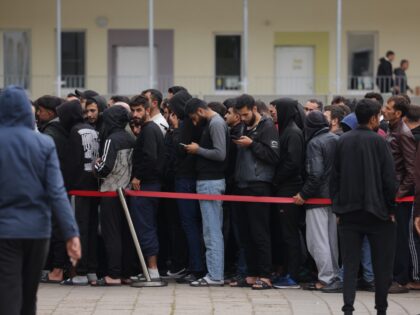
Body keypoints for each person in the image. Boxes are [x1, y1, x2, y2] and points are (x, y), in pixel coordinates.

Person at [0, 86, 81, 315]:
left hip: (4, 231)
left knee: (7, 292)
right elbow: (56, 191)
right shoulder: (43, 144)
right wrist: (71, 233)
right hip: (38, 231)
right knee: (29, 295)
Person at [330, 98, 397, 315]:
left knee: (349, 264)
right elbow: (389, 180)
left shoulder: (342, 141)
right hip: (378, 213)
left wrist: (338, 208)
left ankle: (348, 308)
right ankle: (380, 309)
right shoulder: (380, 142)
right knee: (381, 265)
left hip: (348, 213)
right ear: (372, 118)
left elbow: (335, 178)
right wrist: (391, 209)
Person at [231, 94, 279, 290]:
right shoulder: (243, 126)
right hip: (241, 184)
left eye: (245, 114)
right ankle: (251, 274)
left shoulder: (267, 127)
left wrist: (252, 145)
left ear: (254, 109)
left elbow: (274, 156)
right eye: (239, 115)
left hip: (259, 185)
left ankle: (266, 275)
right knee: (245, 234)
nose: (242, 119)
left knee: (260, 233)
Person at [184, 98, 229, 287]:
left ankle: (215, 275)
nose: (194, 122)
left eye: (194, 117)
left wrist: (197, 150)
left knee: (211, 232)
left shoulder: (216, 123)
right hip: (208, 182)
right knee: (210, 230)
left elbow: (220, 154)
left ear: (201, 111)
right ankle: (215, 273)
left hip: (211, 182)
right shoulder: (214, 122)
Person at [294, 111, 340, 291]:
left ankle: (326, 278)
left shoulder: (314, 143)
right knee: (331, 241)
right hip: (333, 197)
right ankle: (334, 276)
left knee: (317, 241)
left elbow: (315, 173)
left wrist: (303, 194)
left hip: (317, 198)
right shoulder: (336, 139)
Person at [57, 99, 100, 286]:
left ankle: (79, 272)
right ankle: (91, 270)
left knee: (78, 230)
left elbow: (71, 164)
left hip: (78, 189)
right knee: (90, 229)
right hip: (93, 187)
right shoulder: (92, 129)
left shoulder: (74, 132)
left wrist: (65, 187)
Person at [92, 105, 136, 286]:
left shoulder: (112, 139)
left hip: (110, 191)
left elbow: (105, 169)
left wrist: (96, 166)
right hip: (126, 192)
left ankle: (113, 274)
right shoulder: (130, 138)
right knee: (126, 234)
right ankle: (126, 272)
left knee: (111, 234)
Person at [168, 90, 206, 283]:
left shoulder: (185, 126)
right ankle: (195, 265)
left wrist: (175, 130)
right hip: (194, 177)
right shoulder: (195, 124)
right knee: (194, 225)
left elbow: (179, 151)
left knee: (189, 224)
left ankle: (197, 267)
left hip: (185, 179)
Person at [34, 95, 71, 284]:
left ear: (50, 112)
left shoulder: (49, 135)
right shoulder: (61, 130)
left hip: (53, 188)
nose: (38, 114)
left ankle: (57, 270)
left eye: (40, 110)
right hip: (61, 186)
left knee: (56, 230)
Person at [382, 96, 417, 293]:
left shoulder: (403, 134)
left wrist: (398, 193)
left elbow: (411, 171)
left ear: (398, 113)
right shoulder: (390, 129)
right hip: (391, 193)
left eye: (388, 108)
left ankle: (401, 279)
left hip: (401, 197)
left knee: (401, 238)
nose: (384, 110)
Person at [130, 95, 165, 280]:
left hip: (147, 185)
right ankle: (148, 269)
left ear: (147, 110)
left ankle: (152, 270)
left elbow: (150, 158)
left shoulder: (150, 130)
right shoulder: (147, 129)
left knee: (145, 226)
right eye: (133, 110)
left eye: (139, 110)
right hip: (149, 185)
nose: (135, 114)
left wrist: (138, 176)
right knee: (144, 226)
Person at [271, 98, 306, 289]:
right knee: (284, 234)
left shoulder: (292, 133)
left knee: (290, 234)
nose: (272, 113)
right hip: (283, 187)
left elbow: (293, 163)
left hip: (289, 188)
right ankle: (286, 271)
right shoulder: (285, 130)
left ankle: (293, 275)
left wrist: (276, 179)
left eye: (274, 110)